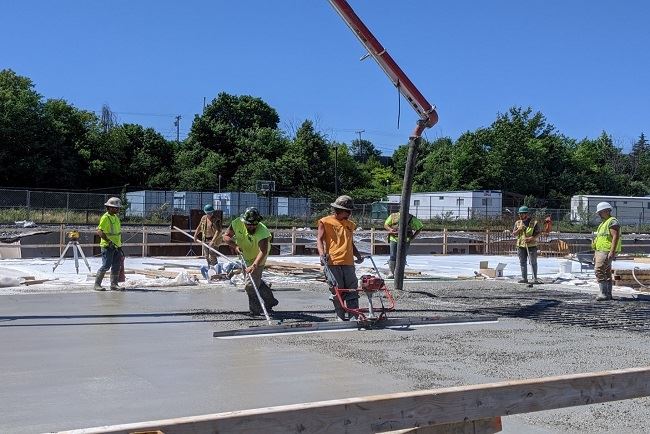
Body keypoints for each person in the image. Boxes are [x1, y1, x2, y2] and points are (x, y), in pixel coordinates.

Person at [222, 207, 278, 316]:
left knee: (250, 285)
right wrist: (235, 246)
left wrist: (254, 265)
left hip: (258, 257)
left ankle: (255, 310)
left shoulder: (262, 231)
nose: (251, 226)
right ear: (244, 221)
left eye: (254, 224)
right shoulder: (236, 223)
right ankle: (270, 300)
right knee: (254, 281)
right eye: (249, 224)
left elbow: (263, 251)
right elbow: (226, 236)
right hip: (245, 255)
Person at [317, 195, 364, 320]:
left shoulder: (350, 224)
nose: (349, 214)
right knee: (337, 290)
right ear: (339, 210)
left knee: (352, 290)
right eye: (347, 211)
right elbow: (319, 239)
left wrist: (358, 255)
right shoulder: (325, 222)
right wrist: (321, 254)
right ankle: (340, 316)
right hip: (333, 261)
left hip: (348, 262)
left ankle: (354, 315)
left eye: (350, 211)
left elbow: (350, 242)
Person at [592, 201, 621, 301]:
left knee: (599, 270)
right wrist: (596, 252)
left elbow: (615, 236)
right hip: (600, 250)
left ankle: (604, 293)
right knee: (606, 272)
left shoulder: (612, 221)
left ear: (607, 211)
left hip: (606, 250)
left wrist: (612, 251)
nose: (599, 214)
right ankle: (608, 294)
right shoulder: (603, 223)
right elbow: (600, 238)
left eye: (601, 212)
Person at [94, 197, 124, 291]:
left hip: (116, 246)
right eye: (116, 208)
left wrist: (119, 245)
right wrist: (108, 241)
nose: (117, 209)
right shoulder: (105, 217)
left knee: (116, 266)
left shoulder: (116, 217)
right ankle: (97, 284)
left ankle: (114, 284)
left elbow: (117, 233)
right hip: (108, 246)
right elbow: (99, 231)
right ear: (109, 207)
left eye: (118, 208)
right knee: (106, 265)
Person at [384, 211, 423, 279]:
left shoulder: (411, 217)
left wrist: (413, 237)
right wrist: (390, 229)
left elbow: (420, 227)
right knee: (393, 255)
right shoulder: (393, 216)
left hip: (405, 240)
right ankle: (392, 273)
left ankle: (400, 273)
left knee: (403, 256)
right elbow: (386, 224)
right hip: (394, 239)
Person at [512, 206, 542, 284]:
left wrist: (531, 238)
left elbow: (538, 233)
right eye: (519, 214)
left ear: (526, 214)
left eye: (522, 214)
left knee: (533, 262)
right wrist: (519, 229)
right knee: (522, 262)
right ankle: (524, 278)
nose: (520, 215)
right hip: (521, 246)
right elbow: (514, 234)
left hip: (531, 246)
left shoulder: (533, 223)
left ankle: (534, 278)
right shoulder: (518, 223)